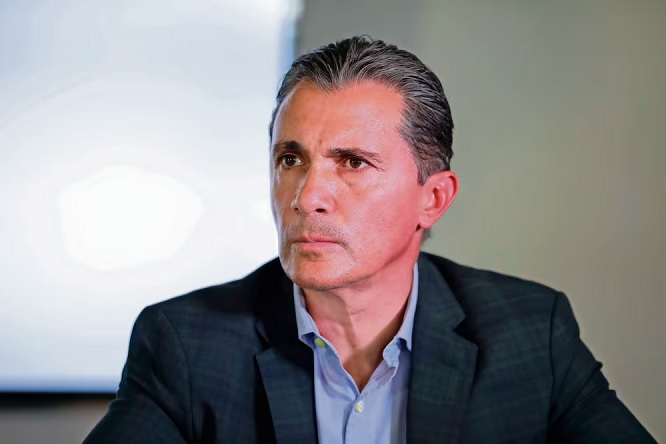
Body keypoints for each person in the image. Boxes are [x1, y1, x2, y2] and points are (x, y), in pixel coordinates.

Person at [84, 36, 655, 443]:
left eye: (353, 162)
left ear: (433, 199)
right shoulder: (186, 343)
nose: (307, 196)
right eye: (290, 159)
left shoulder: (530, 334)